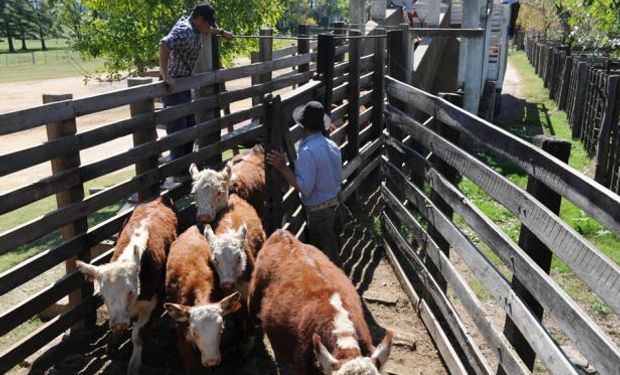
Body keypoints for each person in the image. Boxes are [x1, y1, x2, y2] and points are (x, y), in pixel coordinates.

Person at [266, 101, 344, 263]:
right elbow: (338, 177)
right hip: (336, 208)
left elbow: (305, 188)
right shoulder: (332, 146)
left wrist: (282, 167)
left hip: (320, 214)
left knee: (325, 263)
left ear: (303, 127)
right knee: (333, 255)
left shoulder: (308, 152)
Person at [159, 3, 233, 169]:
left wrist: (222, 32)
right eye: (208, 22)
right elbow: (164, 44)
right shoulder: (184, 30)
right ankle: (177, 171)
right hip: (174, 88)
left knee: (189, 129)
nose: (209, 26)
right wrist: (166, 77)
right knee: (179, 133)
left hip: (184, 86)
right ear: (200, 19)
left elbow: (206, 30)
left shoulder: (195, 27)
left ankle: (184, 168)